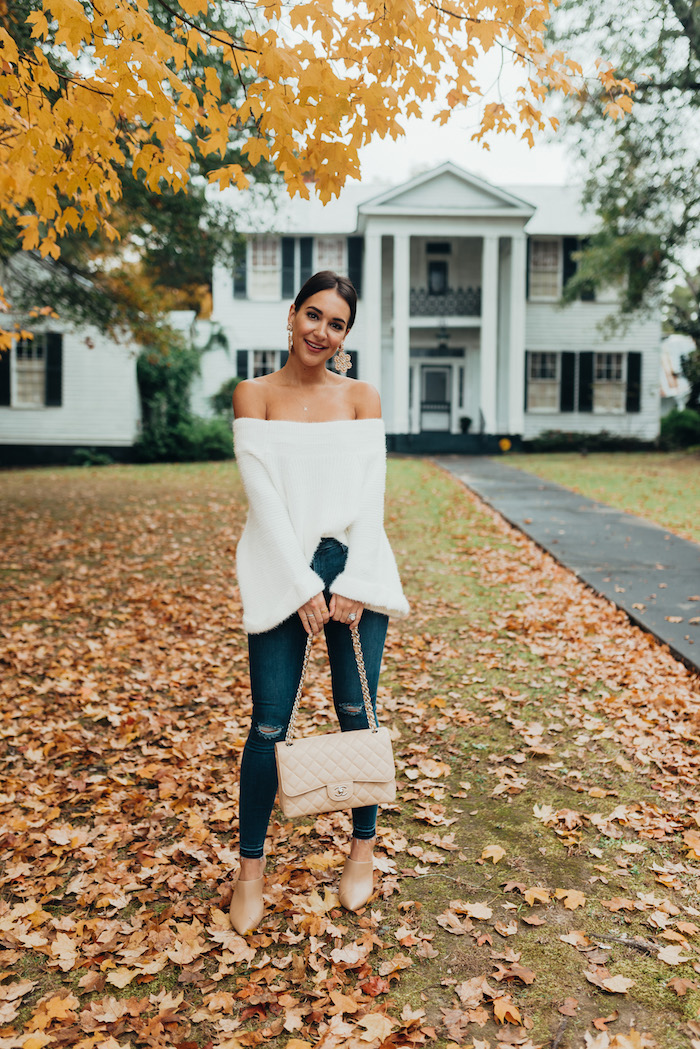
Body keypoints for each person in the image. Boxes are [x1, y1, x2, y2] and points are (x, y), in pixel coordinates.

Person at [229, 270, 409, 936]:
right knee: (269, 724)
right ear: (291, 315)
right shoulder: (255, 394)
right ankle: (250, 870)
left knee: (357, 710)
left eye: (336, 323)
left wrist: (355, 579)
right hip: (283, 568)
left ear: (345, 336)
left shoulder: (362, 397)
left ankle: (362, 851)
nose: (321, 331)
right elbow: (263, 497)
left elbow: (371, 496)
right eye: (313, 315)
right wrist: (302, 586)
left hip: (354, 565)